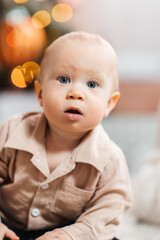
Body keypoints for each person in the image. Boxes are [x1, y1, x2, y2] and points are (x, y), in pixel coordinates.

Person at [0, 31, 132, 240]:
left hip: (68, 230)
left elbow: (108, 209)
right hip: (8, 226)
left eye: (91, 85)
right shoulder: (11, 131)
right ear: (40, 93)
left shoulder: (109, 158)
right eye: (64, 79)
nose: (76, 93)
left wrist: (74, 235)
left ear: (109, 103)